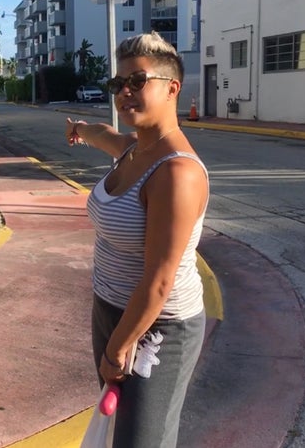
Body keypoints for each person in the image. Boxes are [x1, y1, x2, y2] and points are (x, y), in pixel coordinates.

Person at [65, 32, 208, 447]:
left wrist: (119, 346)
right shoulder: (132, 150)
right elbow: (103, 134)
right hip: (109, 309)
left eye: (138, 82)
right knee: (117, 430)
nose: (124, 92)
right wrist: (79, 129)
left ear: (172, 88)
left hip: (159, 328)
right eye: (118, 84)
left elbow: (159, 282)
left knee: (141, 442)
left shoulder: (176, 174)